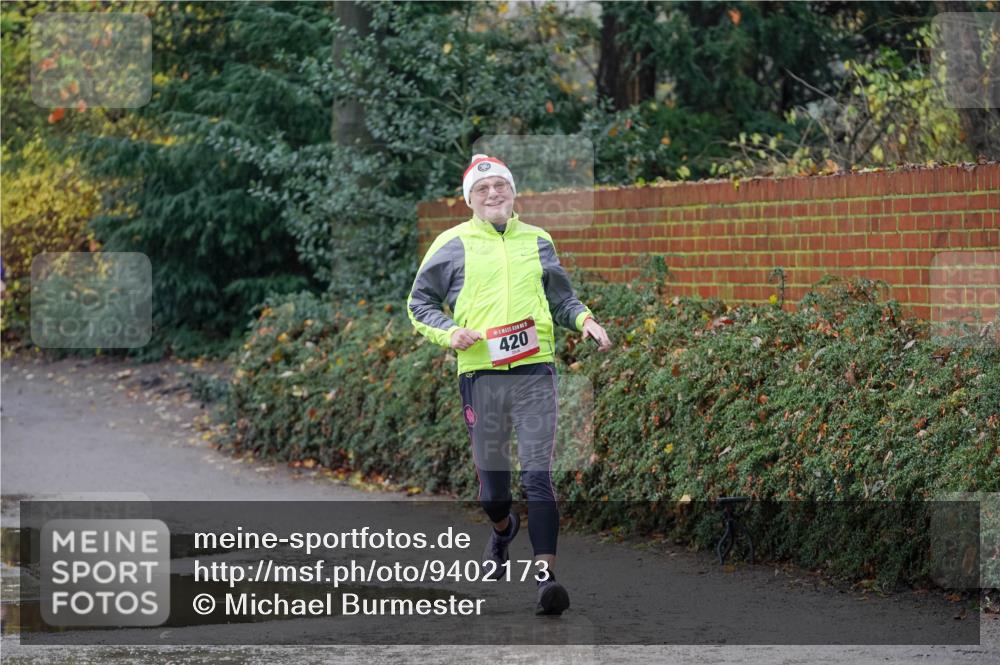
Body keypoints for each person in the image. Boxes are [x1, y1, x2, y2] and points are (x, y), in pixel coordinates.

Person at [407, 154, 612, 616]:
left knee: (538, 475)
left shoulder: (538, 240)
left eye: (501, 185)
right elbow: (419, 304)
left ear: (513, 192)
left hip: (534, 369)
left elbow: (561, 298)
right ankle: (502, 531)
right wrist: (450, 332)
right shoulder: (451, 243)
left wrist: (585, 320)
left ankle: (546, 580)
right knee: (493, 492)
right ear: (470, 201)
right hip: (480, 374)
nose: (493, 193)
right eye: (483, 189)